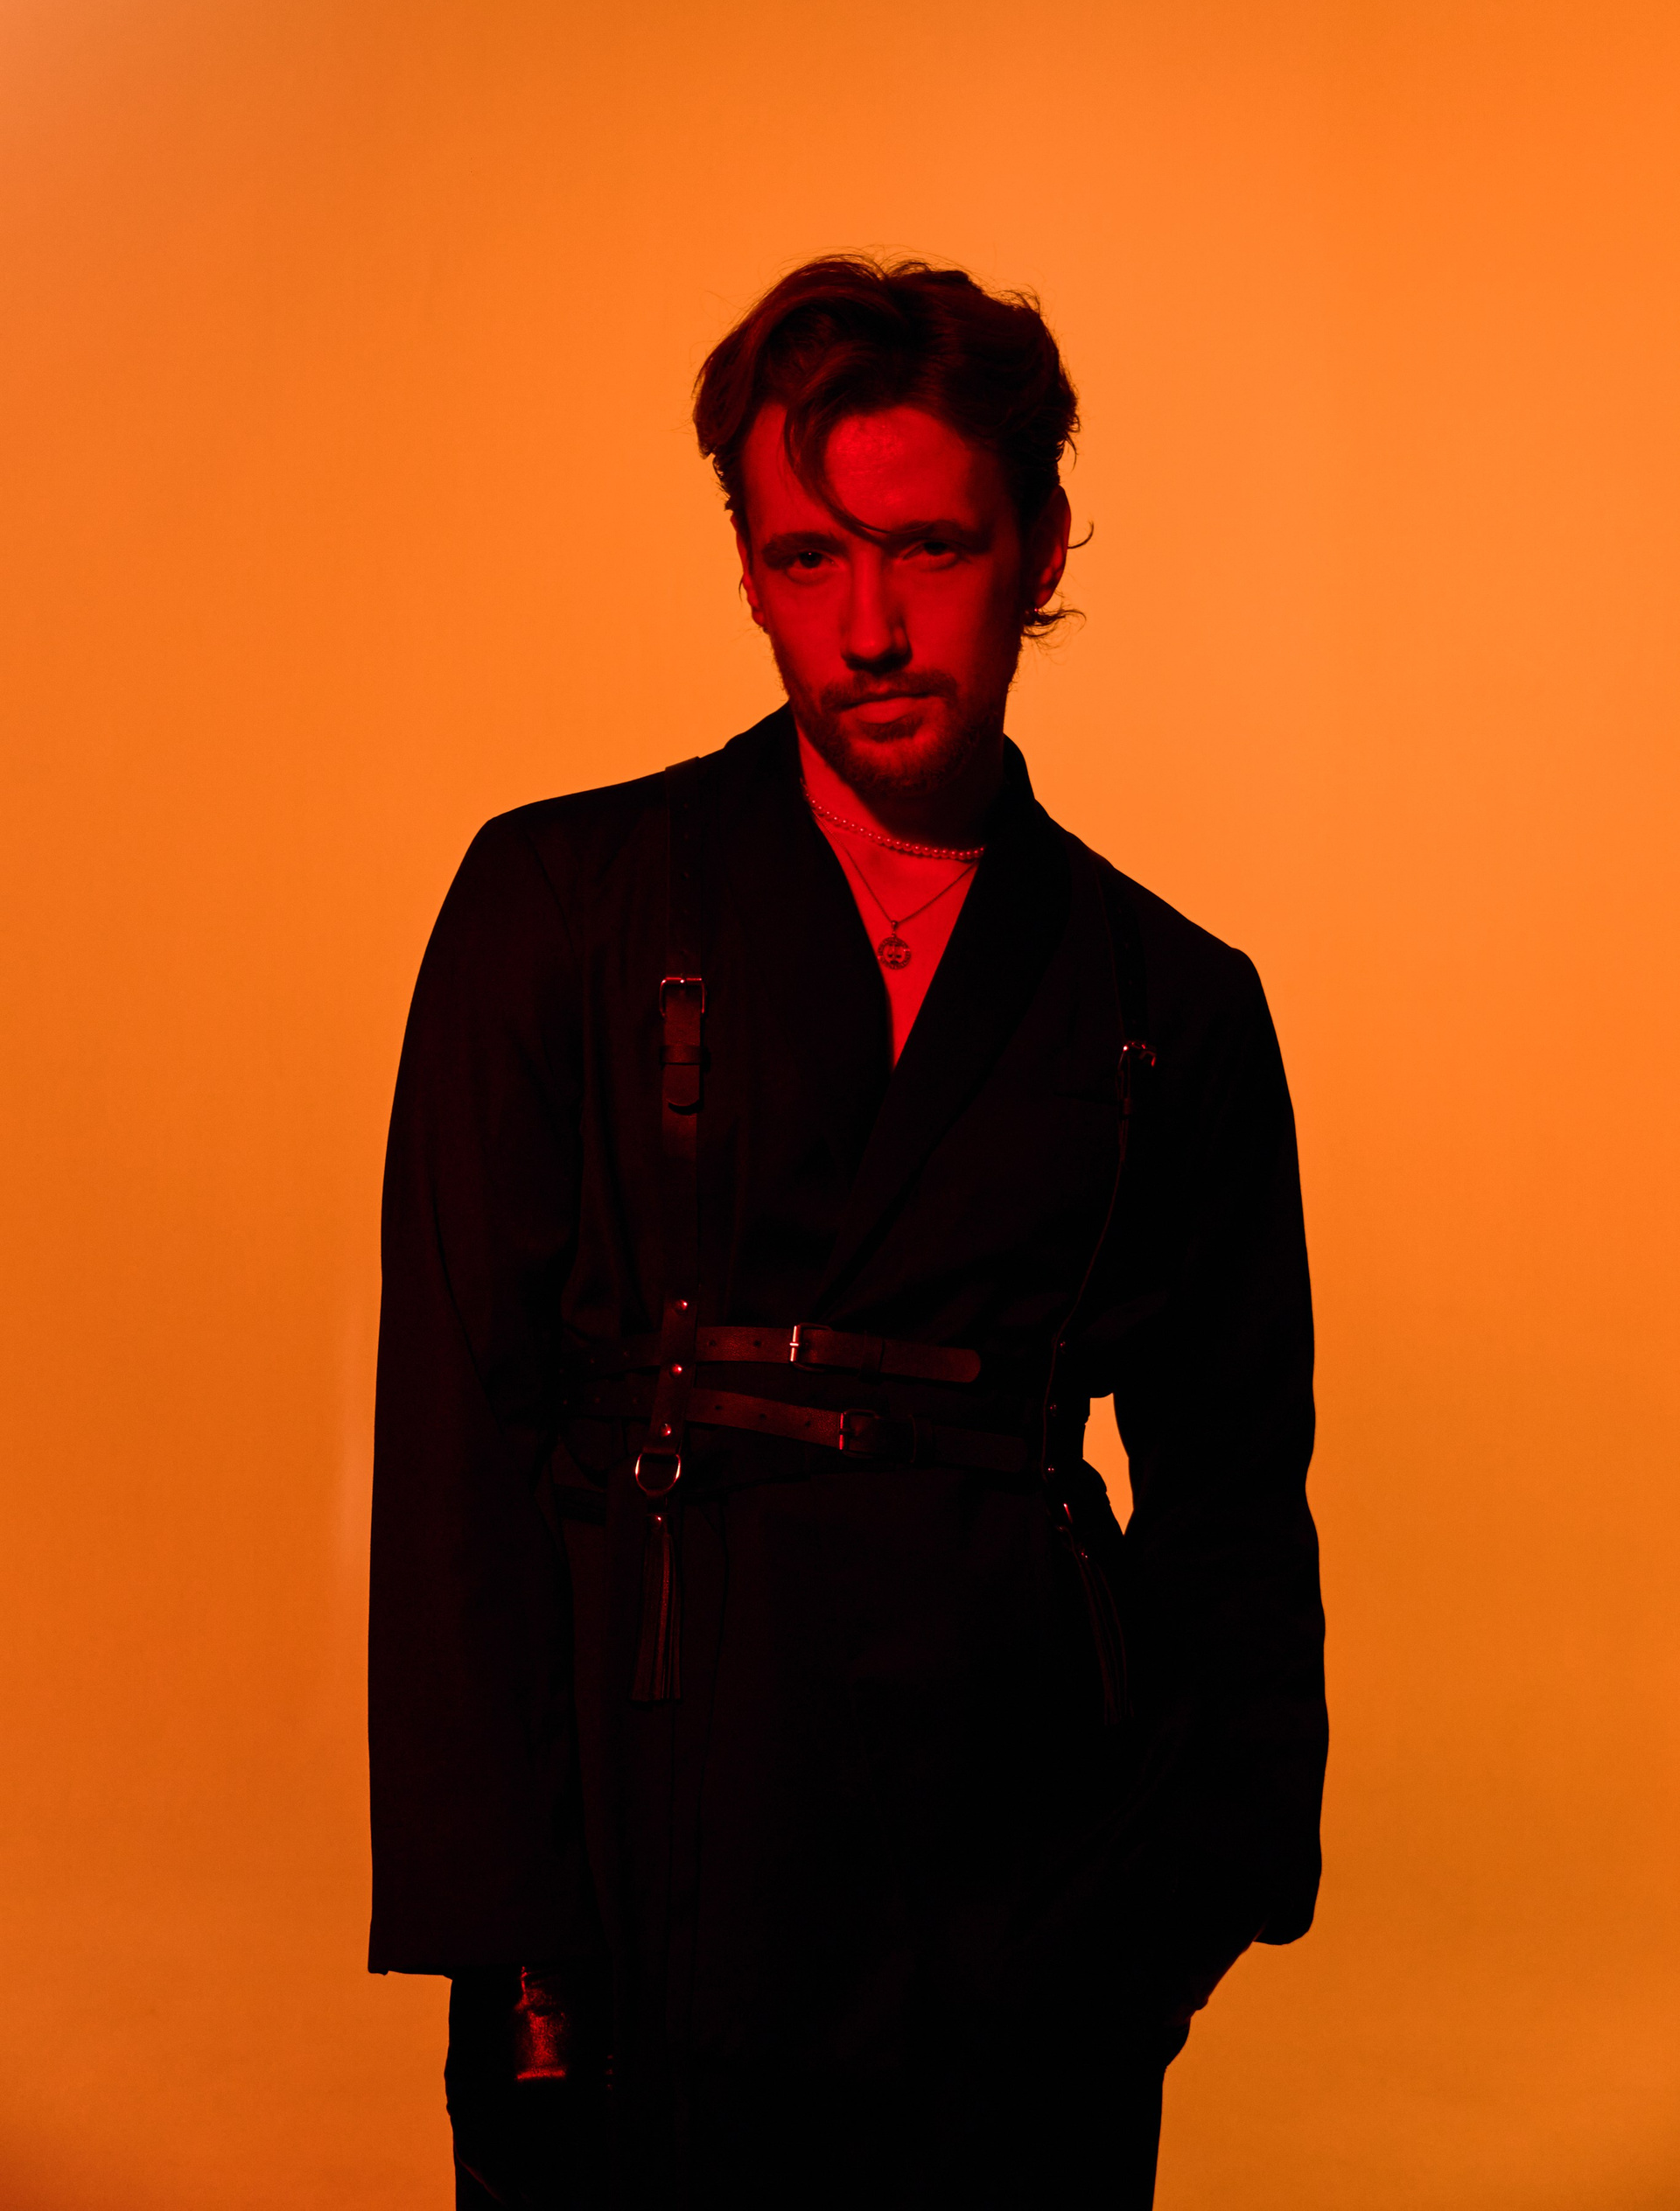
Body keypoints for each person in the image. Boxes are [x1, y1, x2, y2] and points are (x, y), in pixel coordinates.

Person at [368, 256, 1327, 2209]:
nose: (870, 627)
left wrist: (1160, 1934)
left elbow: (1236, 1519)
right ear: (747, 568)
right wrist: (520, 1962)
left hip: (1022, 1921)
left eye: (928, 548)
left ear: (1040, 543)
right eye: (808, 558)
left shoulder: (1170, 1004)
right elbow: (457, 1444)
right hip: (640, 1892)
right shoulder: (564, 905)